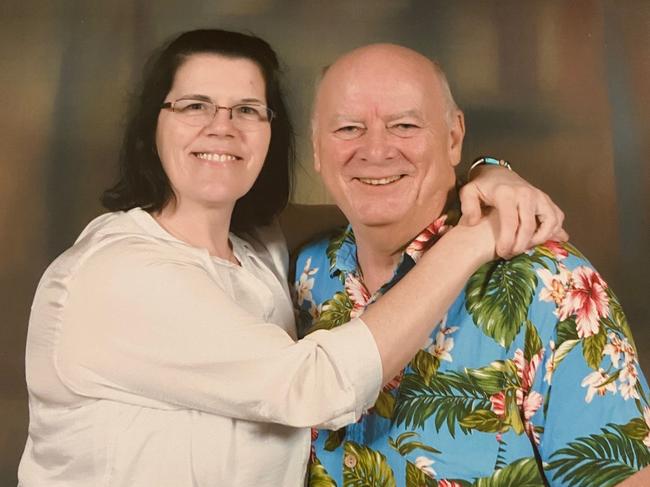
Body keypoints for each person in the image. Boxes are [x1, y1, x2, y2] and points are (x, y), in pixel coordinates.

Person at [18, 30, 566, 487]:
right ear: (151, 126)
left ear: (271, 133)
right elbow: (318, 385)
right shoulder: (115, 275)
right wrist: (475, 237)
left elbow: (377, 196)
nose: (222, 126)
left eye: (248, 110)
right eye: (194, 105)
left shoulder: (257, 250)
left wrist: (488, 172)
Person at [294, 43, 650, 486]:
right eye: (348, 128)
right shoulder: (301, 275)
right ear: (315, 149)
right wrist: (492, 170)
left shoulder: (552, 286)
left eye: (404, 125)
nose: (376, 149)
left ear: (454, 138)